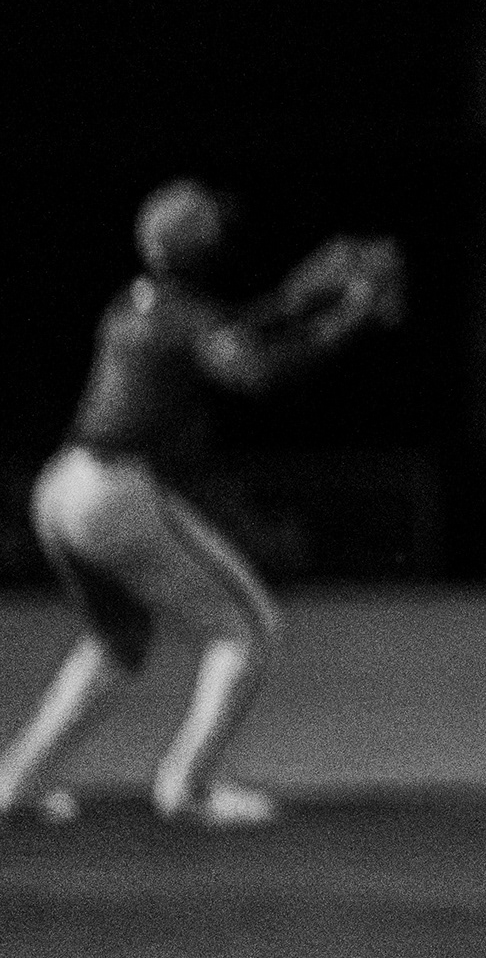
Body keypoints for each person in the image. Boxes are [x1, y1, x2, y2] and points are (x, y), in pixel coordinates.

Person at [0, 183, 401, 828]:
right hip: (112, 492)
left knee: (118, 639)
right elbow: (253, 372)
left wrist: (296, 297)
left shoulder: (134, 300)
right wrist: (344, 317)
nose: (222, 240)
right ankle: (185, 790)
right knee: (251, 629)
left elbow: (215, 334)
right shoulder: (186, 315)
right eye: (213, 233)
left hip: (59, 486)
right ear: (201, 249)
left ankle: (15, 785)